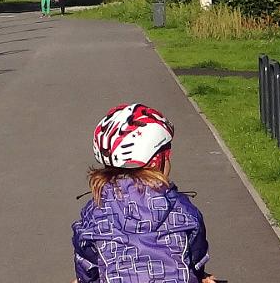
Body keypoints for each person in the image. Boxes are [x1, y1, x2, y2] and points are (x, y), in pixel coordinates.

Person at [74, 103, 214, 283]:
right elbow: (196, 257)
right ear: (157, 160)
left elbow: (86, 263)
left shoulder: (95, 211)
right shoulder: (183, 210)